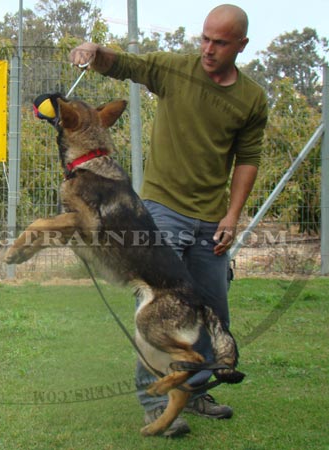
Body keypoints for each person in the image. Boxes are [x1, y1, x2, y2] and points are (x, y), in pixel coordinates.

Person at [70, 4, 268, 437]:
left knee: (210, 310)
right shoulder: (176, 71)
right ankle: (156, 403)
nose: (208, 49)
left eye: (219, 42)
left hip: (212, 218)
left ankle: (194, 392)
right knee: (159, 309)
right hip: (163, 209)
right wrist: (95, 51)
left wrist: (232, 216)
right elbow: (125, 64)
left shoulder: (252, 98)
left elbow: (248, 159)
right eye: (204, 38)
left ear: (241, 45)